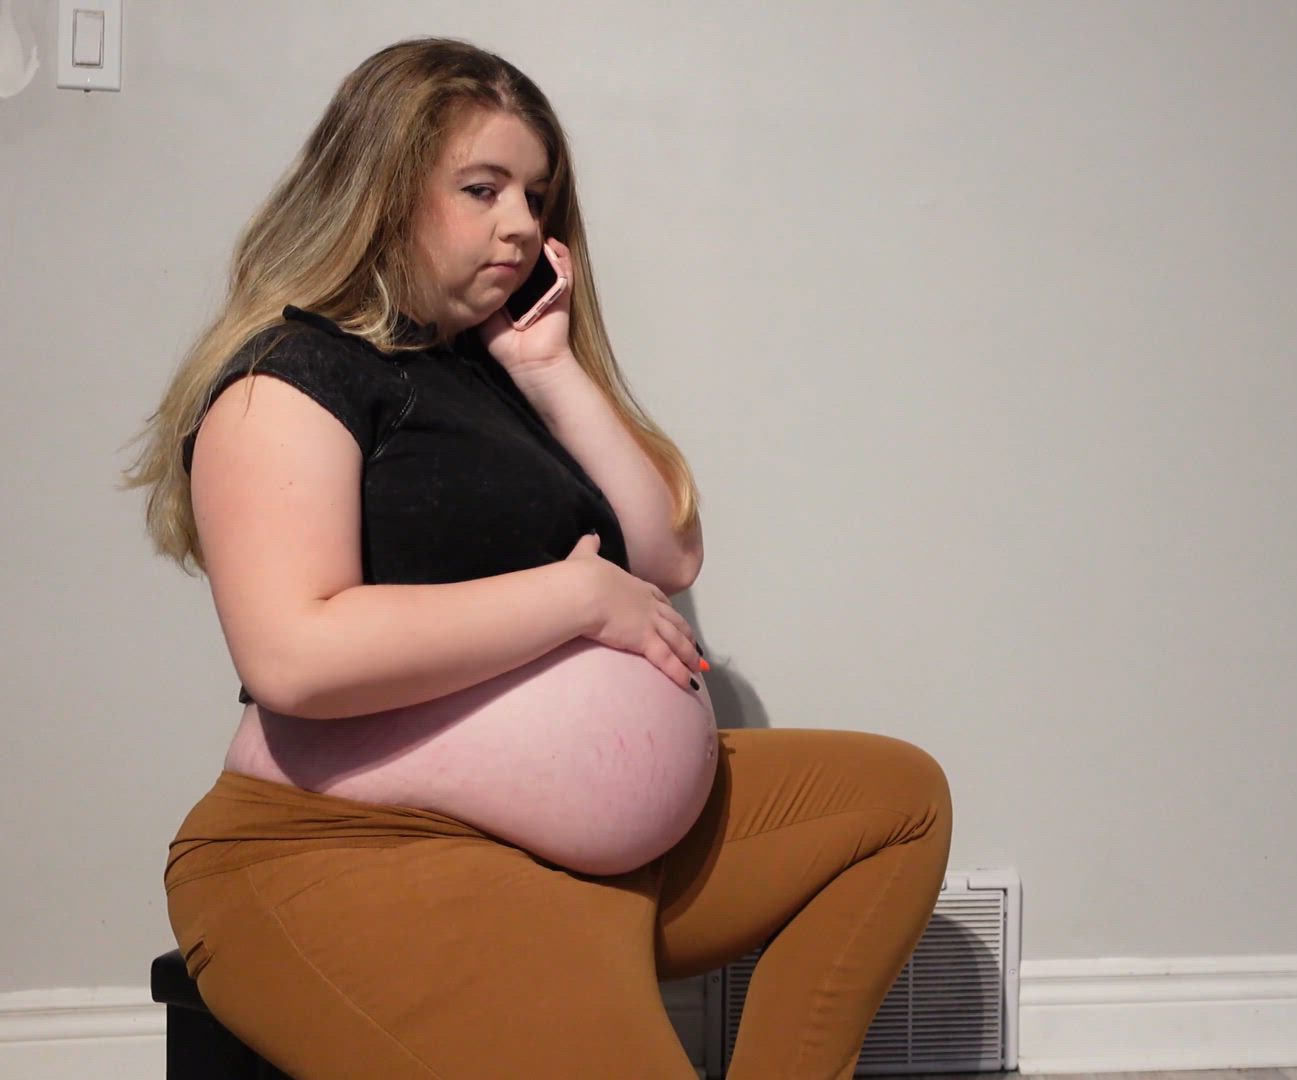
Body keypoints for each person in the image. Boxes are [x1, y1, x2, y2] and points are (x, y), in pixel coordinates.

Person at [120, 36, 953, 1079]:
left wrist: (550, 366)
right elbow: (295, 653)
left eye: (536, 194)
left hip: (563, 847)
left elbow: (668, 553)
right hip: (355, 846)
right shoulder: (292, 374)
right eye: (482, 189)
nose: (521, 223)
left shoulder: (491, 372)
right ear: (379, 188)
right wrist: (577, 598)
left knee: (894, 802)